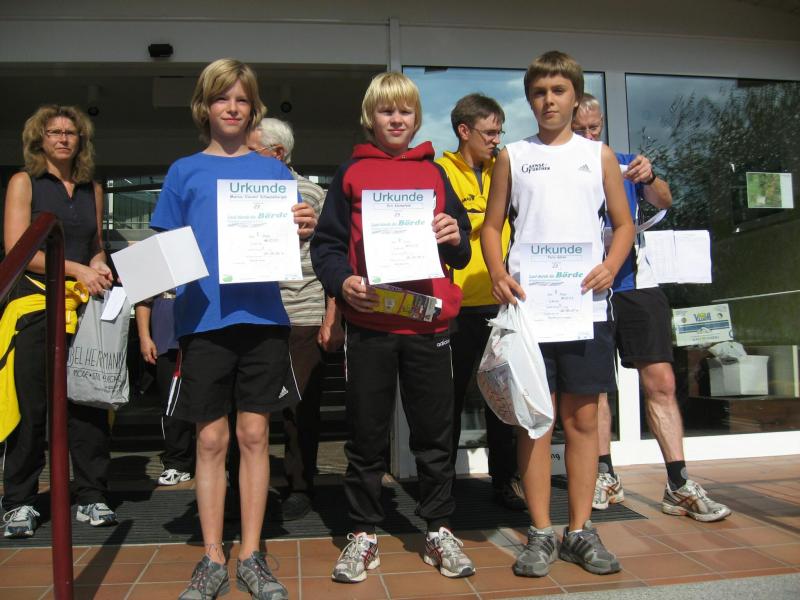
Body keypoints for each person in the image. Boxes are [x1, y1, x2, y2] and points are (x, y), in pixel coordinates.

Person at [311, 72, 475, 583]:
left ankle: (439, 529)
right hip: (370, 326)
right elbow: (326, 246)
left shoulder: (436, 174)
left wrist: (455, 234)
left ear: (417, 118)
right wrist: (342, 281)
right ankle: (363, 533)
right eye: (387, 111)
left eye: (405, 111)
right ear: (371, 118)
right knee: (366, 437)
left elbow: (461, 248)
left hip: (428, 325)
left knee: (435, 436)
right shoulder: (351, 173)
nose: (396, 119)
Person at [150, 59, 302, 600]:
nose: (232, 108)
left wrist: (301, 227)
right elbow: (164, 252)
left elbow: (292, 239)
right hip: (203, 321)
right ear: (205, 107)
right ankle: (212, 555)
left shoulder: (275, 173)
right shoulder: (183, 171)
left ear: (253, 108)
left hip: (262, 319)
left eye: (241, 99)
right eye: (222, 98)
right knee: (211, 438)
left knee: (254, 435)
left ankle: (252, 554)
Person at [482, 50, 635, 577]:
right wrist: (497, 272)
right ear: (530, 99)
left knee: (584, 418)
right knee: (536, 420)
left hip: (584, 307)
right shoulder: (513, 156)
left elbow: (623, 224)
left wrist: (611, 265)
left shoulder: (599, 156)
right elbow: (491, 226)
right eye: (539, 93)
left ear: (575, 95)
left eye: (558, 91)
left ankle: (581, 529)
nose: (548, 101)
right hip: (531, 309)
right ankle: (542, 531)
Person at [572, 94, 732, 522]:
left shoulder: (626, 162)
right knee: (594, 387)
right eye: (580, 128)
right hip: (585, 286)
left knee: (661, 381)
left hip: (636, 283)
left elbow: (665, 200)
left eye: (594, 127)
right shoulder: (560, 167)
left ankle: (678, 483)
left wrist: (651, 176)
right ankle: (605, 474)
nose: (588, 135)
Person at [2, 105, 117, 538]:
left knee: (88, 405)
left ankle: (91, 495)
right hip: (35, 306)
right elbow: (17, 250)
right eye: (54, 132)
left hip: (84, 309)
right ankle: (19, 502)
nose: (63, 138)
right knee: (31, 408)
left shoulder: (92, 188)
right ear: (40, 139)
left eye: (71, 132)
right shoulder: (24, 182)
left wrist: (98, 263)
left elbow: (96, 245)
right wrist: (77, 270)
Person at [247, 117, 343, 520]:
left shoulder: (313, 193)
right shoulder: (239, 194)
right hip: (251, 312)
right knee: (248, 407)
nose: (242, 156)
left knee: (299, 407)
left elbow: (333, 257)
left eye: (250, 150)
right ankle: (244, 488)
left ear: (277, 153)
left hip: (302, 311)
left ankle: (299, 486)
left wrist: (332, 316)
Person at [435, 93, 524, 510]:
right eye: (489, 132)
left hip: (500, 303)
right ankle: (443, 486)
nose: (496, 140)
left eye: (499, 132)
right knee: (449, 401)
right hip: (457, 307)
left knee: (501, 399)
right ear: (463, 130)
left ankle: (505, 481)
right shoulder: (440, 172)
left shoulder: (504, 170)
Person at [135, 292, 196, 486]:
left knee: (210, 401)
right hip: (166, 338)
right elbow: (143, 299)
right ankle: (177, 462)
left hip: (204, 336)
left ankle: (214, 459)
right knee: (171, 403)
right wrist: (144, 337)